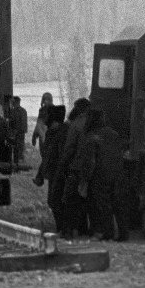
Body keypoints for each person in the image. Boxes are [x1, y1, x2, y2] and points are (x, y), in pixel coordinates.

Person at [79, 110, 130, 242]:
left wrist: (85, 180)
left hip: (100, 175)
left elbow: (90, 161)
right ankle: (124, 234)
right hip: (117, 173)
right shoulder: (114, 134)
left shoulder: (91, 136)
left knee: (104, 205)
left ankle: (108, 233)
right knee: (119, 204)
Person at [55, 98, 91, 239]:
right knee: (87, 201)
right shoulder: (95, 123)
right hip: (92, 169)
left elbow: (70, 148)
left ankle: (68, 230)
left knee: (70, 199)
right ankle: (85, 230)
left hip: (76, 167)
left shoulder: (76, 124)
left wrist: (63, 165)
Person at [34, 104, 67, 230]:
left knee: (56, 202)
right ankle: (62, 228)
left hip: (59, 173)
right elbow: (47, 156)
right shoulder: (53, 133)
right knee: (53, 202)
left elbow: (57, 155)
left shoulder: (60, 133)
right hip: (54, 173)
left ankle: (64, 229)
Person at [32, 92, 54, 156]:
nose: (45, 101)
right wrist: (34, 135)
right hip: (43, 136)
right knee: (44, 154)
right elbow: (39, 123)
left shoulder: (54, 110)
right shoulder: (42, 110)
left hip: (51, 136)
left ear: (50, 100)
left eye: (47, 99)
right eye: (44, 99)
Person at [11, 96, 28, 168]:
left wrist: (19, 131)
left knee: (20, 146)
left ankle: (20, 161)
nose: (12, 104)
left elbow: (23, 123)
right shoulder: (13, 111)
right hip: (15, 132)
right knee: (15, 147)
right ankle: (16, 161)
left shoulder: (22, 111)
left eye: (13, 102)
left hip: (20, 132)